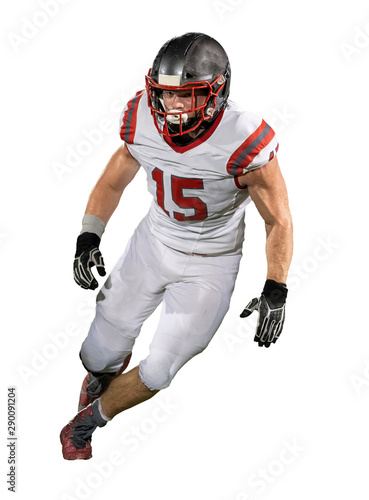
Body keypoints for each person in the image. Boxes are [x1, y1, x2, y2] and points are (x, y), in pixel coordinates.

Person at [60, 32, 293, 460]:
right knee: (98, 352)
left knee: (160, 369)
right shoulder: (141, 116)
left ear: (217, 92)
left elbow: (276, 218)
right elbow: (116, 176)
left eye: (187, 96)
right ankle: (98, 377)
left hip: (213, 263)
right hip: (153, 242)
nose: (173, 107)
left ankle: (88, 420)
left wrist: (276, 286)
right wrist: (89, 234)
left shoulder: (243, 135)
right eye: (166, 95)